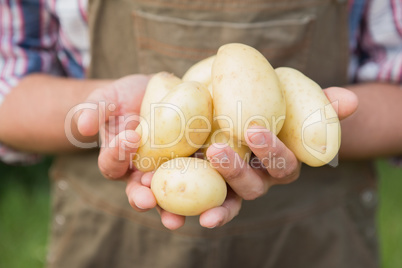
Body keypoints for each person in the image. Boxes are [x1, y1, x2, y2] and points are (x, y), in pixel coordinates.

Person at [0, 0, 401, 267]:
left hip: (315, 237)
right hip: (109, 235)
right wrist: (102, 114)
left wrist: (305, 129)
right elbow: (8, 88)